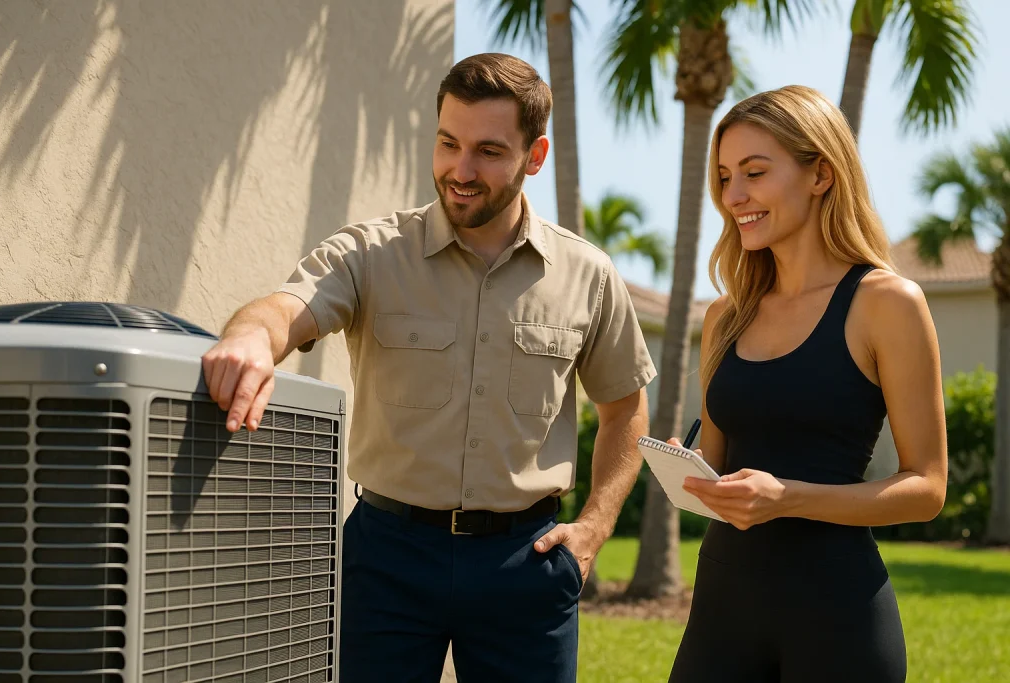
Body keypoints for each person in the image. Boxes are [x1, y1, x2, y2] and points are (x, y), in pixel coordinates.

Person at [200, 52, 657, 683]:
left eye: (488, 152)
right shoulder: (371, 253)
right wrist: (251, 336)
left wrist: (596, 528)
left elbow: (625, 408)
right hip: (387, 558)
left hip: (525, 562)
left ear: (535, 155)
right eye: (448, 143)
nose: (460, 171)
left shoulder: (589, 275)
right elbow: (288, 307)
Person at [665, 85, 948, 683]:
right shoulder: (724, 316)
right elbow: (718, 471)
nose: (733, 196)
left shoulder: (887, 303)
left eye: (754, 173)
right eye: (724, 177)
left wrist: (788, 497)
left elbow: (927, 488)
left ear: (820, 173)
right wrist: (687, 472)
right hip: (723, 608)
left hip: (837, 613)